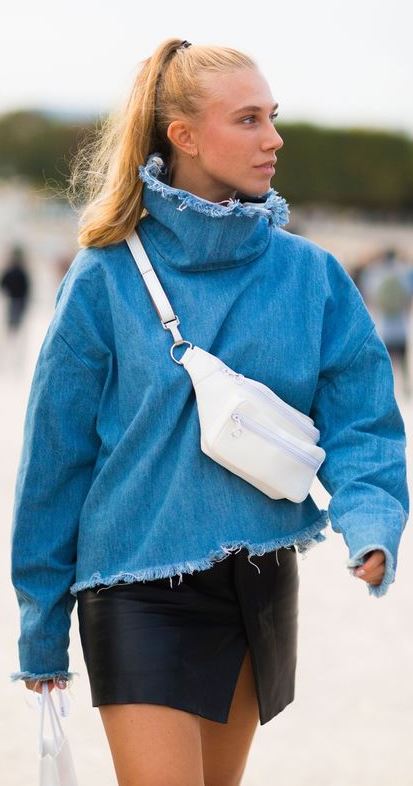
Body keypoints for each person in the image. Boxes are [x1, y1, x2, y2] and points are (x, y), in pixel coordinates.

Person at [11, 39, 409, 786]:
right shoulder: (103, 277)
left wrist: (370, 520)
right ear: (184, 136)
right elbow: (55, 461)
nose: (274, 138)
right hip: (131, 589)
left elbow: (362, 422)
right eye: (249, 119)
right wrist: (41, 626)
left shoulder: (311, 275)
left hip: (259, 586)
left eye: (274, 116)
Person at [356, 248, 413, 396]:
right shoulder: (404, 274)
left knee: (386, 365)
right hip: (401, 329)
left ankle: (386, 391)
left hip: (383, 329)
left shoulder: (376, 274)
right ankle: (406, 389)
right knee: (403, 364)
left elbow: (367, 293)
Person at [0, 245, 31, 331]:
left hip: (16, 297)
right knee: (14, 314)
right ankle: (13, 328)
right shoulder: (18, 271)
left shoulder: (16, 271)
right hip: (16, 297)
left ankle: (13, 328)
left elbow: (4, 282)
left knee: (14, 314)